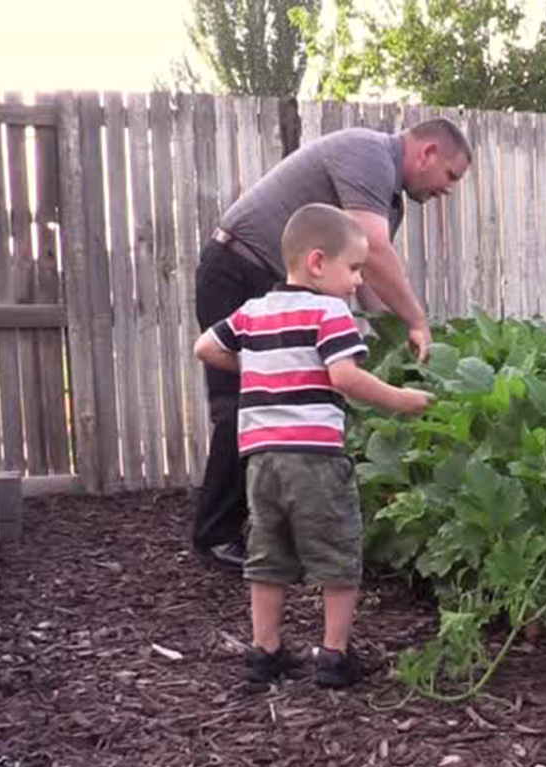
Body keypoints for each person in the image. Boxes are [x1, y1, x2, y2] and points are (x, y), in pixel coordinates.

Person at [193, 118, 472, 570]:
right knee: (241, 406)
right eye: (451, 175)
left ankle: (261, 530)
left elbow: (360, 275)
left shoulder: (388, 197)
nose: (450, 189)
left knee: (280, 402)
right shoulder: (368, 155)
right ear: (427, 153)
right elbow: (377, 253)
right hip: (238, 268)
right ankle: (216, 537)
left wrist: (388, 346)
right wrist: (416, 320)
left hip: (273, 283)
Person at [194, 203, 433, 688]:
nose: (357, 282)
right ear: (318, 262)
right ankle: (333, 656)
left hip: (260, 460)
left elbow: (205, 347)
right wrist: (402, 401)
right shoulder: (330, 312)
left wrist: (262, 370)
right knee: (337, 555)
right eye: (354, 268)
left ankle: (266, 652)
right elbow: (344, 377)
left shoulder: (254, 311)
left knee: (268, 554)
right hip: (315, 459)